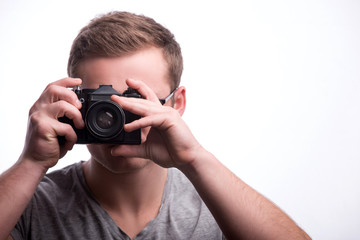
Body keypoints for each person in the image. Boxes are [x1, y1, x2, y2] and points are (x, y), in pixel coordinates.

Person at [0, 11, 311, 240]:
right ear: (71, 101)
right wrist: (31, 163)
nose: (116, 118)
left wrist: (194, 158)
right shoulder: (30, 203)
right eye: (101, 103)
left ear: (177, 104)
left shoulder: (219, 203)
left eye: (136, 101)